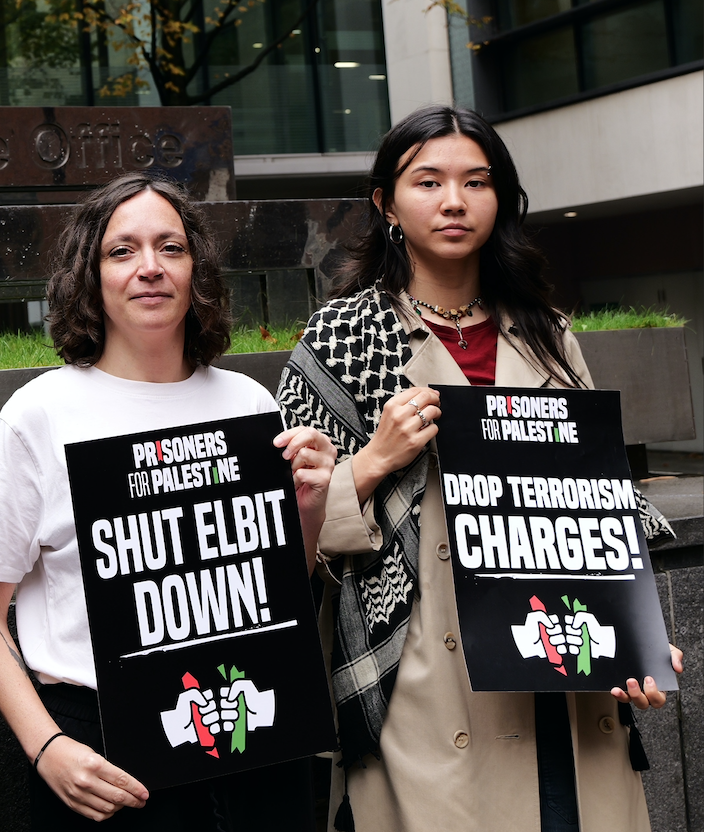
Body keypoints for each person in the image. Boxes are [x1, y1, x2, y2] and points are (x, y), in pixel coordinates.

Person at [276, 105, 684, 832]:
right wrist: (375, 459)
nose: (455, 201)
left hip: (562, 664)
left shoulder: (547, 333)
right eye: (428, 181)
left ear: (501, 198)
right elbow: (281, 529)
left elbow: (600, 508)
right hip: (430, 685)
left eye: (477, 181)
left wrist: (638, 639)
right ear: (387, 204)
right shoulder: (341, 337)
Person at [0, 172, 336, 829]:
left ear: (196, 272)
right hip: (102, 750)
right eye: (122, 250)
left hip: (254, 730)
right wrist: (47, 748)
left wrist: (308, 508)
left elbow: (278, 588)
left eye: (171, 247)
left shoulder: (249, 404)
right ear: (90, 276)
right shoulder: (39, 415)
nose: (150, 267)